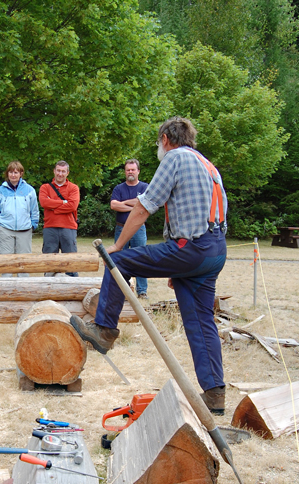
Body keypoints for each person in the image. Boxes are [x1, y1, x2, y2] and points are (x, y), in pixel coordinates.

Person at [71, 117, 228, 414]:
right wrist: (181, 266)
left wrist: (117, 245)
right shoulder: (208, 166)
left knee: (117, 260)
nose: (159, 147)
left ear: (166, 139)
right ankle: (215, 394)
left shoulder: (174, 158)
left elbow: (144, 207)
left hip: (191, 249)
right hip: (214, 250)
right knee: (201, 323)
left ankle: (104, 331)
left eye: (159, 141)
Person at [0, 161, 39, 277]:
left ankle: (23, 290)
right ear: (7, 174)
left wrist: (33, 224)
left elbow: (34, 209)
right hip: (5, 230)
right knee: (6, 263)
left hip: (25, 230)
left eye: (16, 172)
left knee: (24, 263)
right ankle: (6, 290)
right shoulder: (0, 191)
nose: (13, 175)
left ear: (21, 174)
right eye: (11, 172)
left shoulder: (29, 190)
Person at [110, 159, 149, 298]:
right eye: (128, 170)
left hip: (139, 229)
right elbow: (114, 205)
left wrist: (123, 203)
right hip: (121, 228)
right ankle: (121, 289)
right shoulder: (119, 189)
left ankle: (142, 291)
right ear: (125, 172)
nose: (130, 172)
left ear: (138, 171)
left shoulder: (145, 187)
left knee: (141, 258)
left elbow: (145, 204)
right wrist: (134, 206)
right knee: (120, 258)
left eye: (133, 169)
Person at [39, 161, 80, 277]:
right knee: (49, 262)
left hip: (69, 227)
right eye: (58, 170)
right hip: (50, 228)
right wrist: (63, 202)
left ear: (67, 173)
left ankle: (73, 292)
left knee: (71, 262)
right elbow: (44, 202)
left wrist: (54, 209)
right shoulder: (45, 187)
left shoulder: (74, 188)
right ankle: (49, 291)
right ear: (54, 171)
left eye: (63, 171)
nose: (60, 174)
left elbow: (72, 206)